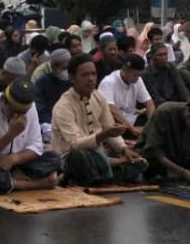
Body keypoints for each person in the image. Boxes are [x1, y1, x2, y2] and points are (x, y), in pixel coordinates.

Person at [51, 54, 146, 186]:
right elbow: (74, 144)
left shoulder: (99, 96)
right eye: (85, 75)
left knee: (138, 154)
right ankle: (113, 169)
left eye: (93, 74)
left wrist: (124, 149)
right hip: (70, 158)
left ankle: (114, 168)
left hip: (99, 155)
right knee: (80, 157)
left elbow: (110, 127)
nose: (91, 79)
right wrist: (104, 135)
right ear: (72, 78)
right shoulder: (63, 106)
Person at [139, 99, 190, 184]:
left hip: (179, 162)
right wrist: (181, 172)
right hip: (157, 161)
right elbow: (154, 151)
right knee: (150, 167)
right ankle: (172, 175)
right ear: (189, 117)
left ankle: (174, 175)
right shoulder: (165, 112)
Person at [98, 53, 154, 139]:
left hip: (132, 118)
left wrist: (151, 125)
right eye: (135, 75)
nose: (137, 78)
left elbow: (148, 102)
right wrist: (132, 128)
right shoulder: (108, 82)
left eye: (139, 75)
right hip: (115, 122)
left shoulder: (138, 80)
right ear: (124, 69)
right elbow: (110, 108)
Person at [31, 48, 71, 127]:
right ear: (54, 66)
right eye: (64, 68)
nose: (66, 71)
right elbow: (39, 105)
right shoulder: (42, 82)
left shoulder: (74, 80)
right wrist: (49, 122)